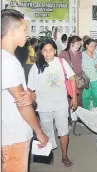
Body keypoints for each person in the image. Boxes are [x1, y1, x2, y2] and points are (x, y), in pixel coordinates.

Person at [1, 9, 48, 172]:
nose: (26, 34)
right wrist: (39, 132)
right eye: (24, 29)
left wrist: (32, 95)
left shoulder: (8, 58)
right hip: (13, 134)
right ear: (13, 31)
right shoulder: (6, 61)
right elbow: (22, 103)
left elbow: (25, 96)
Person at [27, 39, 77, 167]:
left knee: (63, 131)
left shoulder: (61, 62)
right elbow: (30, 88)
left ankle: (64, 156)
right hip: (43, 106)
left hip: (60, 104)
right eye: (45, 50)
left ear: (55, 50)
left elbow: (72, 79)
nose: (48, 53)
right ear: (41, 52)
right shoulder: (36, 66)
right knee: (46, 131)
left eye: (51, 50)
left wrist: (74, 98)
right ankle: (47, 153)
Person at [59, 35, 84, 107]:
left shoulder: (80, 54)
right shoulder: (63, 53)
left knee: (79, 100)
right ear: (71, 44)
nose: (79, 46)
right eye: (78, 44)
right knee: (69, 101)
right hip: (68, 81)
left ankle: (79, 117)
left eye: (80, 44)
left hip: (79, 81)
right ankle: (69, 117)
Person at [82, 38, 97, 110]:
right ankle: (86, 113)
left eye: (94, 46)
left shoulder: (96, 53)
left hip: (96, 79)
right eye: (92, 46)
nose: (93, 48)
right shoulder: (82, 55)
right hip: (86, 80)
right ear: (87, 46)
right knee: (86, 98)